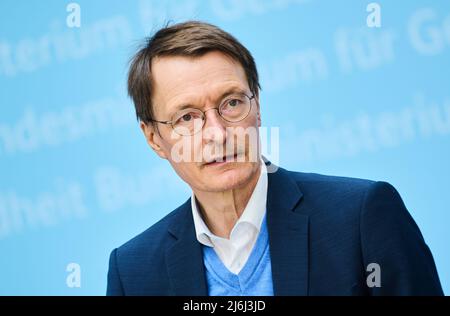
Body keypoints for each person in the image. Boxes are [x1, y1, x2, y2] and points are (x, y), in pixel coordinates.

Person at [107, 21, 443, 296]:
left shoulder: (360, 218)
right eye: (187, 118)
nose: (218, 134)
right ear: (154, 139)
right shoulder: (133, 272)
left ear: (258, 108)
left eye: (232, 103)